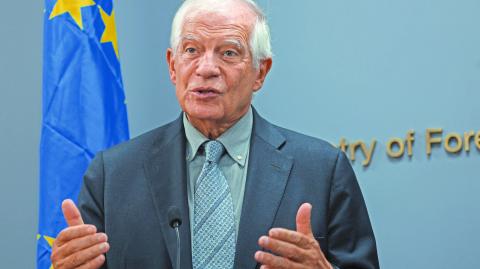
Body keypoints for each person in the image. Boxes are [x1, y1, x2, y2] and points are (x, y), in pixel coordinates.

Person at [51, 0, 380, 268]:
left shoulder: (322, 170)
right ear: (172, 66)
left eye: (229, 52)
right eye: (192, 50)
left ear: (260, 73)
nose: (205, 68)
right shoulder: (113, 175)